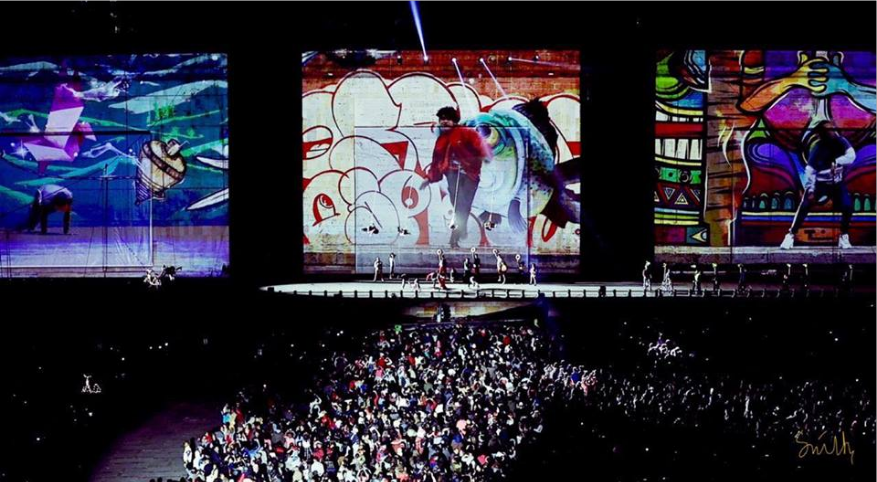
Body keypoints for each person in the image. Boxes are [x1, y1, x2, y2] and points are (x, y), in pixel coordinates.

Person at [420, 106, 493, 248]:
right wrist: (429, 179)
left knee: (463, 204)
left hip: (470, 175)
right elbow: (436, 162)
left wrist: (485, 156)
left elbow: (481, 146)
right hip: (452, 174)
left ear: (454, 120)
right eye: (441, 119)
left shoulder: (466, 133)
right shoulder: (441, 140)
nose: (444, 122)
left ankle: (455, 237)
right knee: (459, 204)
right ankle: (460, 229)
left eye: (447, 119)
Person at [781, 121, 856, 249]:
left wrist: (836, 161)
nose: (832, 132)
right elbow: (810, 171)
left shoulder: (841, 142)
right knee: (804, 207)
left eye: (832, 128)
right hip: (820, 184)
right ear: (822, 134)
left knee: (847, 206)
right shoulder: (818, 149)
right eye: (828, 130)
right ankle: (790, 235)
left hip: (837, 183)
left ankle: (844, 236)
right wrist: (810, 190)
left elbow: (851, 156)